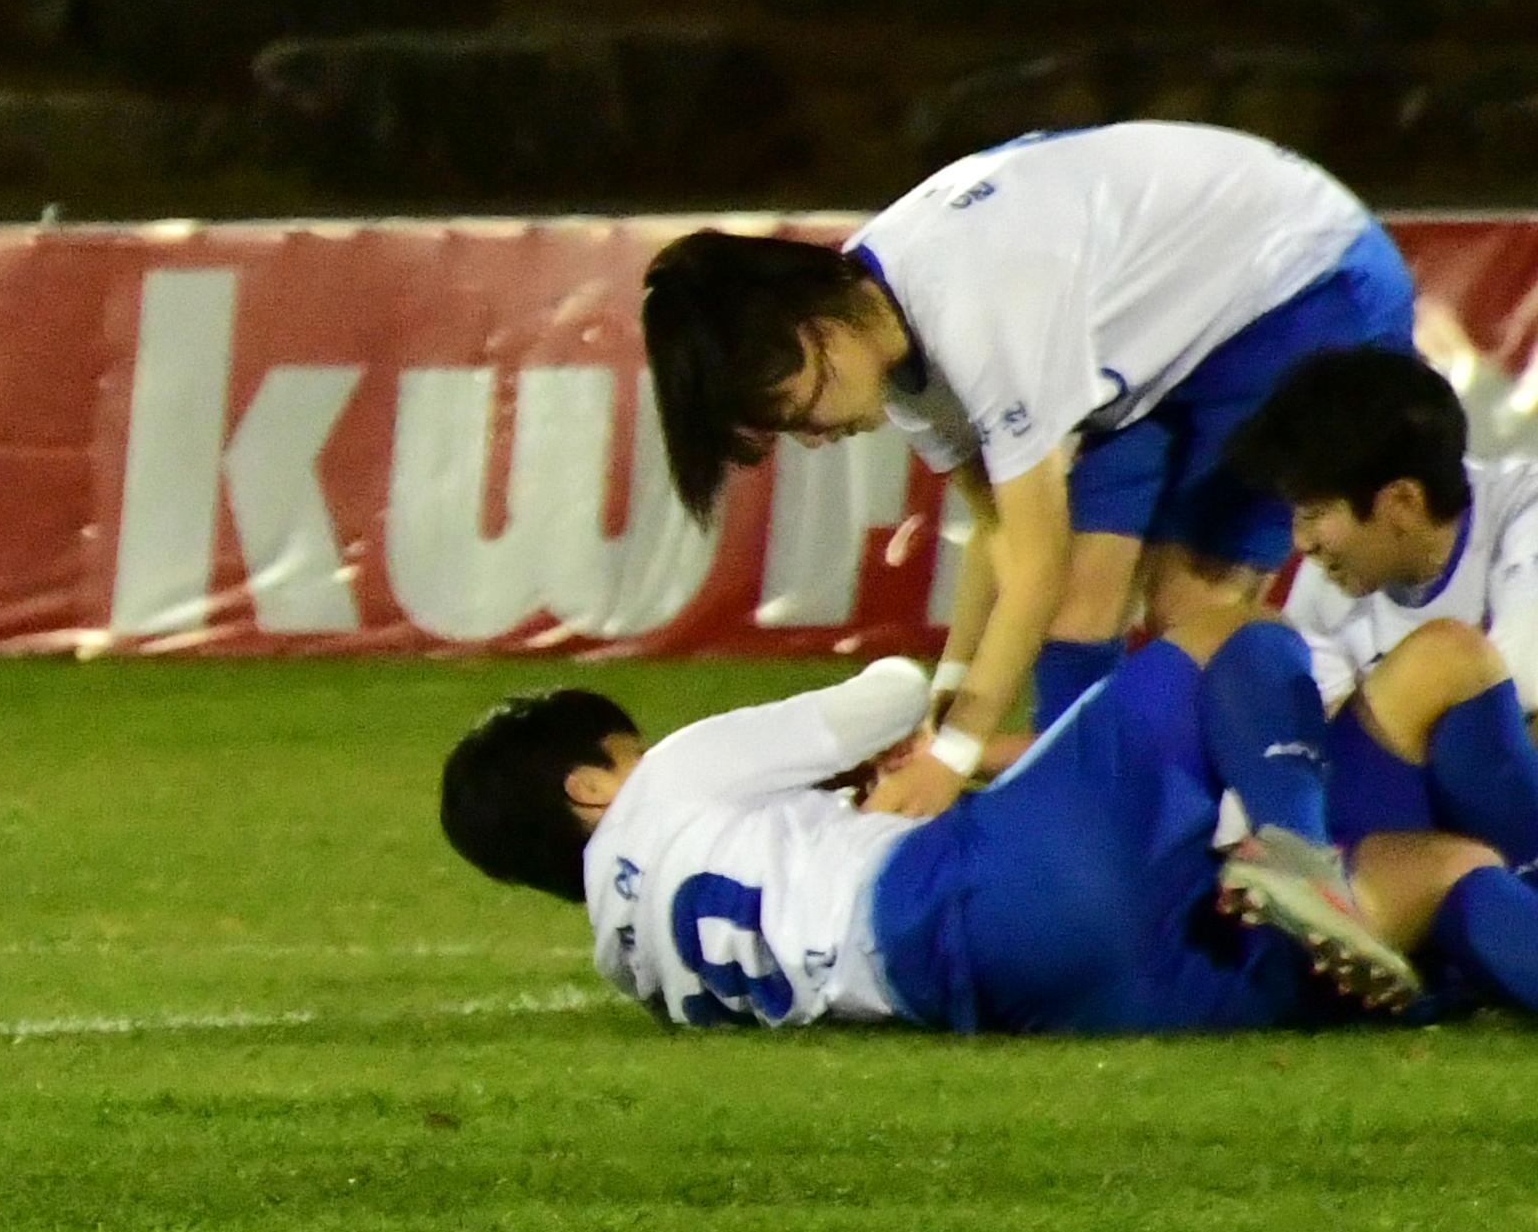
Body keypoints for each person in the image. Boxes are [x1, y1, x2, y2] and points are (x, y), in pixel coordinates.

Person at [639, 122, 1416, 965]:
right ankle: (1105, 852)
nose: (815, 440)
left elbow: (1032, 564)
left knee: (1196, 610)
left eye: (800, 414)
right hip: (1159, 329)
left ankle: (1309, 854)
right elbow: (1000, 539)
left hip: (1296, 287)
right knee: (1087, 601)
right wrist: (949, 701)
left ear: (818, 334)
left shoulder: (975, 309)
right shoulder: (881, 325)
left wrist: (954, 756)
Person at [434, 631, 1538, 1030]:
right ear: (591, 787)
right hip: (981, 884)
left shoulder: (628, 963)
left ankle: (1364, 902)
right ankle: (1294, 855)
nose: (651, 749)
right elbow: (887, 693)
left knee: (1445, 875)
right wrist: (862, 752)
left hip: (1022, 998)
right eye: (627, 747)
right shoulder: (672, 778)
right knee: (1225, 633)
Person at [1231, 345, 1538, 870]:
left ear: (1401, 502)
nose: (1300, 542)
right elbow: (1322, 749)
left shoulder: (1525, 514)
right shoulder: (1329, 584)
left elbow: (1523, 696)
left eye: (1316, 512)